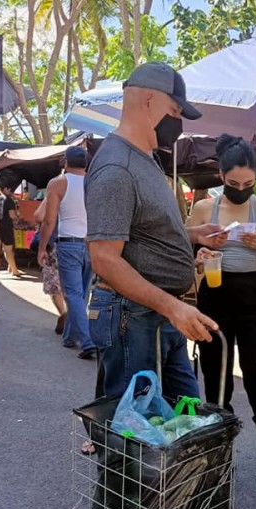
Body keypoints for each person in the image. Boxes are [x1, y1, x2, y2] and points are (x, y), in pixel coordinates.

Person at [85, 62, 225, 400]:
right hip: (134, 316)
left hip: (157, 315)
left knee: (184, 416)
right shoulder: (118, 167)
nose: (177, 123)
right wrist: (172, 307)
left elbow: (140, 228)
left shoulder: (145, 158)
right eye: (174, 111)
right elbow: (104, 258)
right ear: (149, 101)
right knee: (133, 431)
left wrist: (192, 235)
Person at [189, 134, 256, 490]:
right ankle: (217, 457)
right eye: (233, 184)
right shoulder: (204, 208)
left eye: (248, 184)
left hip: (253, 297)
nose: (241, 189)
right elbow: (194, 265)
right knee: (216, 380)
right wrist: (200, 258)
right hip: (215, 295)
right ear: (220, 176)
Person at [38, 147, 96, 360]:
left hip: (69, 243)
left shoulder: (58, 183)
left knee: (73, 294)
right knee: (82, 293)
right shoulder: (95, 182)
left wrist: (42, 247)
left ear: (65, 162)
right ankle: (70, 336)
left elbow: (49, 220)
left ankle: (88, 342)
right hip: (91, 243)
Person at [33, 197, 67, 334]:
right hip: (78, 243)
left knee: (54, 284)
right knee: (74, 286)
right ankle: (74, 318)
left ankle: (64, 315)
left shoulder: (57, 192)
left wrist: (49, 197)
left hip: (54, 244)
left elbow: (39, 216)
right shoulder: (85, 189)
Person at [0, 182, 20, 277]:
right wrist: (17, 217)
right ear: (6, 188)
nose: (11, 192)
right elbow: (12, 215)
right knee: (8, 250)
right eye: (11, 190)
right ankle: (14, 270)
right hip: (6, 227)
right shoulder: (9, 200)